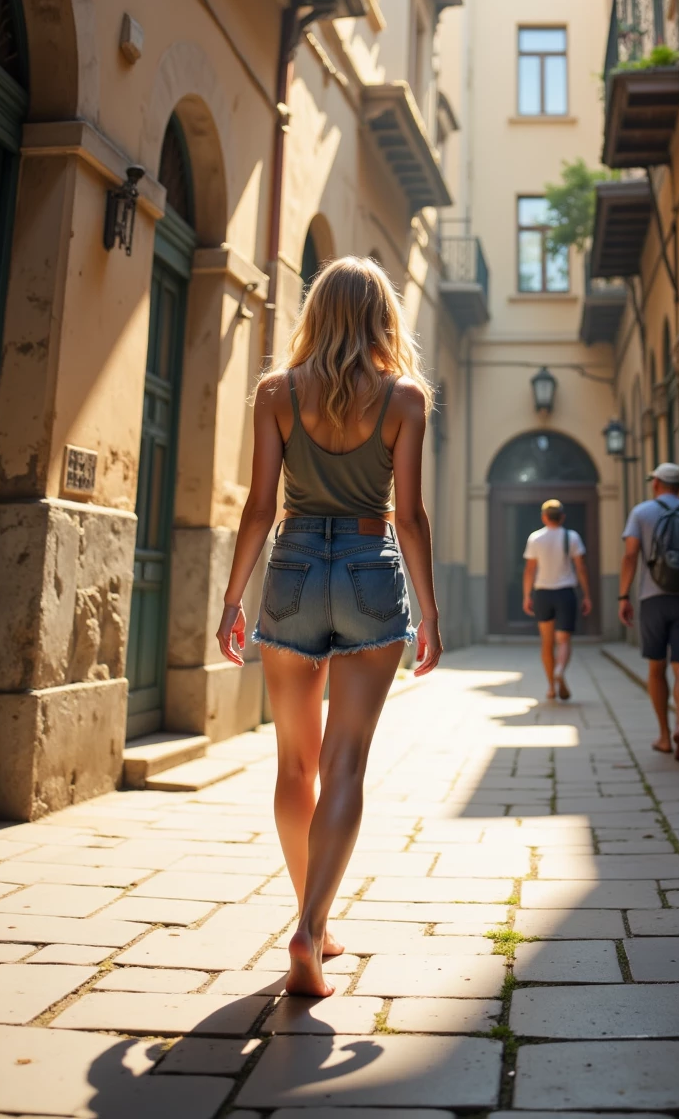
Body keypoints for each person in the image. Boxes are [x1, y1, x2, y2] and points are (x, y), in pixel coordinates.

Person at [216, 256, 442, 999]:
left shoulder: (277, 392)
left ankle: (310, 917)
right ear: (383, 314)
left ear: (317, 310)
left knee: (293, 766)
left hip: (293, 569)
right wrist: (430, 613)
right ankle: (313, 928)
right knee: (345, 764)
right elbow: (409, 515)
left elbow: (258, 505)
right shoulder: (405, 398)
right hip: (372, 569)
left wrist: (231, 598)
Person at [617, 461, 679, 760]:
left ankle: (663, 736)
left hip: (653, 599)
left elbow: (630, 555)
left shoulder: (641, 512)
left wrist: (623, 596)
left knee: (656, 667)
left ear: (657, 484)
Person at [522, 499, 593, 701]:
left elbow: (529, 570)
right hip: (565, 592)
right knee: (563, 640)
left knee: (546, 642)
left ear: (544, 517)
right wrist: (587, 595)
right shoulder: (572, 537)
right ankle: (560, 669)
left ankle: (551, 687)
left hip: (543, 592)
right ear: (562, 516)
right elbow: (581, 567)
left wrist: (527, 595)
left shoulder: (535, 538)